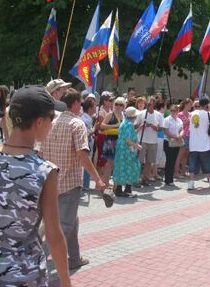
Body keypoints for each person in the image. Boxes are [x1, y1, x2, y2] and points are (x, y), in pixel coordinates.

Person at [0, 85, 71, 287]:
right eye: (51, 119)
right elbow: (53, 235)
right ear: (39, 122)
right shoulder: (45, 171)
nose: (52, 125)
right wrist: (66, 283)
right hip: (24, 277)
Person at [39, 88, 108, 271]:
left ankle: (75, 258)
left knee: (71, 221)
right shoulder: (76, 124)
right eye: (80, 103)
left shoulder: (51, 122)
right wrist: (98, 180)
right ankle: (36, 261)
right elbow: (83, 156)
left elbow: (41, 152)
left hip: (50, 181)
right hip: (69, 183)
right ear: (76, 104)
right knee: (64, 226)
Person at [187, 98, 210, 190]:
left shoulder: (192, 114)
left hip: (193, 143)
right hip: (204, 143)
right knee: (207, 163)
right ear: (206, 105)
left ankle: (191, 182)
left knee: (192, 164)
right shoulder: (208, 114)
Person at [113, 107, 142, 197]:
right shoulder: (129, 124)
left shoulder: (124, 122)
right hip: (127, 150)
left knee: (121, 167)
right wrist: (137, 146)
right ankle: (127, 190)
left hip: (121, 149)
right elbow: (128, 139)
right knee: (130, 167)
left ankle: (119, 189)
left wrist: (139, 129)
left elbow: (128, 135)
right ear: (134, 116)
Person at [136, 97, 164, 185]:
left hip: (153, 141)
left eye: (151, 104)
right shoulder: (141, 114)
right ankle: (136, 179)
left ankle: (145, 179)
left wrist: (156, 128)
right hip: (142, 139)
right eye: (148, 104)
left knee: (149, 161)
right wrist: (141, 125)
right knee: (139, 161)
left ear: (154, 104)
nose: (149, 106)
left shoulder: (158, 115)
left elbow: (161, 128)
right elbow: (135, 125)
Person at [99, 97, 125, 185]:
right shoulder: (110, 114)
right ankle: (104, 183)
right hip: (111, 140)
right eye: (116, 104)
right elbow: (102, 126)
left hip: (120, 141)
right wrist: (115, 125)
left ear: (123, 106)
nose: (118, 106)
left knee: (116, 164)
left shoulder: (123, 116)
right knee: (110, 163)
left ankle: (107, 182)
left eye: (120, 105)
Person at [163, 104, 184, 186]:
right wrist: (176, 137)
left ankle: (170, 178)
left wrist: (180, 136)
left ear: (177, 111)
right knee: (169, 160)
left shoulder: (179, 120)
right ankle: (168, 179)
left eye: (175, 110)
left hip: (176, 142)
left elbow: (182, 130)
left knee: (174, 160)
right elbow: (166, 132)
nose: (173, 112)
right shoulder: (167, 120)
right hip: (168, 141)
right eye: (171, 110)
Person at [175, 98, 192, 178]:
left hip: (189, 135)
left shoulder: (190, 114)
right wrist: (186, 122)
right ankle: (176, 173)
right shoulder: (180, 114)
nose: (191, 106)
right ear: (185, 105)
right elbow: (178, 126)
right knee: (180, 155)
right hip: (183, 136)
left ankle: (183, 172)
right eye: (189, 104)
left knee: (185, 155)